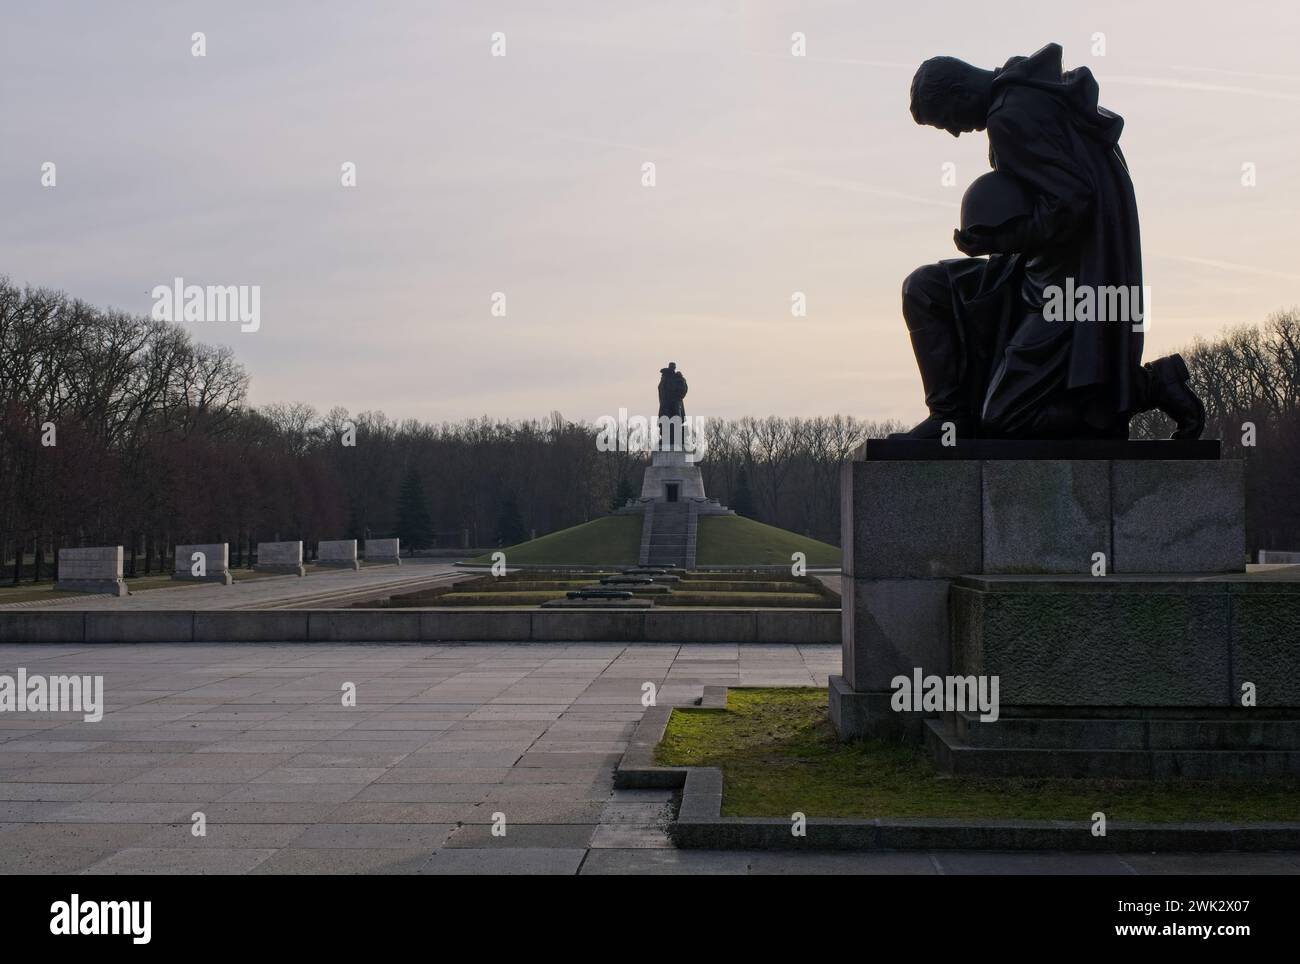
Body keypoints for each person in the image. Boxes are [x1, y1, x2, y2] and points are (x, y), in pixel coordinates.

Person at [895, 43, 1204, 440]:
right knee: (927, 289)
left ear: (960, 92)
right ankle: (950, 417)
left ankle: (1146, 387)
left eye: (947, 120)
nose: (955, 131)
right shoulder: (1025, 91)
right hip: (1042, 270)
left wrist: (998, 238)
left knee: (1007, 419)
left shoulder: (1010, 116)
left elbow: (1072, 203)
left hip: (1070, 291)